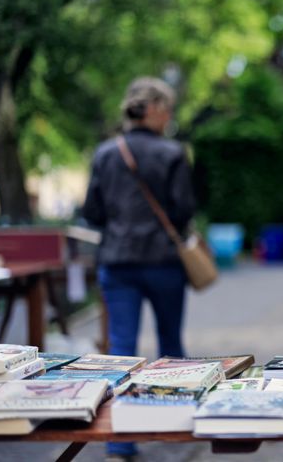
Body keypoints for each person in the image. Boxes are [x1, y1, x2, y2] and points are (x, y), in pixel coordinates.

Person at [82, 76, 195, 462]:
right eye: (169, 110)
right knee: (171, 351)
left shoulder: (105, 153)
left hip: (118, 263)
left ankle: (119, 442)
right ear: (158, 110)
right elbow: (183, 211)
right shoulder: (173, 153)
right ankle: (175, 429)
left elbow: (92, 212)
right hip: (164, 262)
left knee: (119, 351)